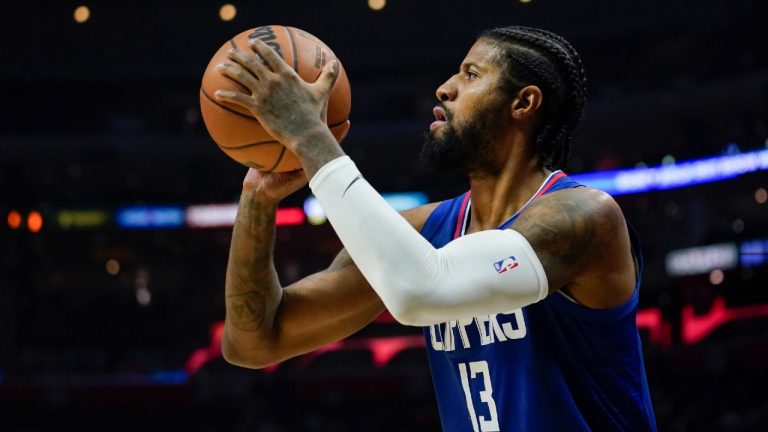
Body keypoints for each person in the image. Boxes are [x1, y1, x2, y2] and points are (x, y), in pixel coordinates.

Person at [214, 26, 657, 431]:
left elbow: (421, 291)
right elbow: (253, 343)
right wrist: (258, 199)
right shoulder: (427, 231)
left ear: (523, 103)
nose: (444, 88)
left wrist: (310, 135)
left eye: (470, 74)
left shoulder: (585, 218)